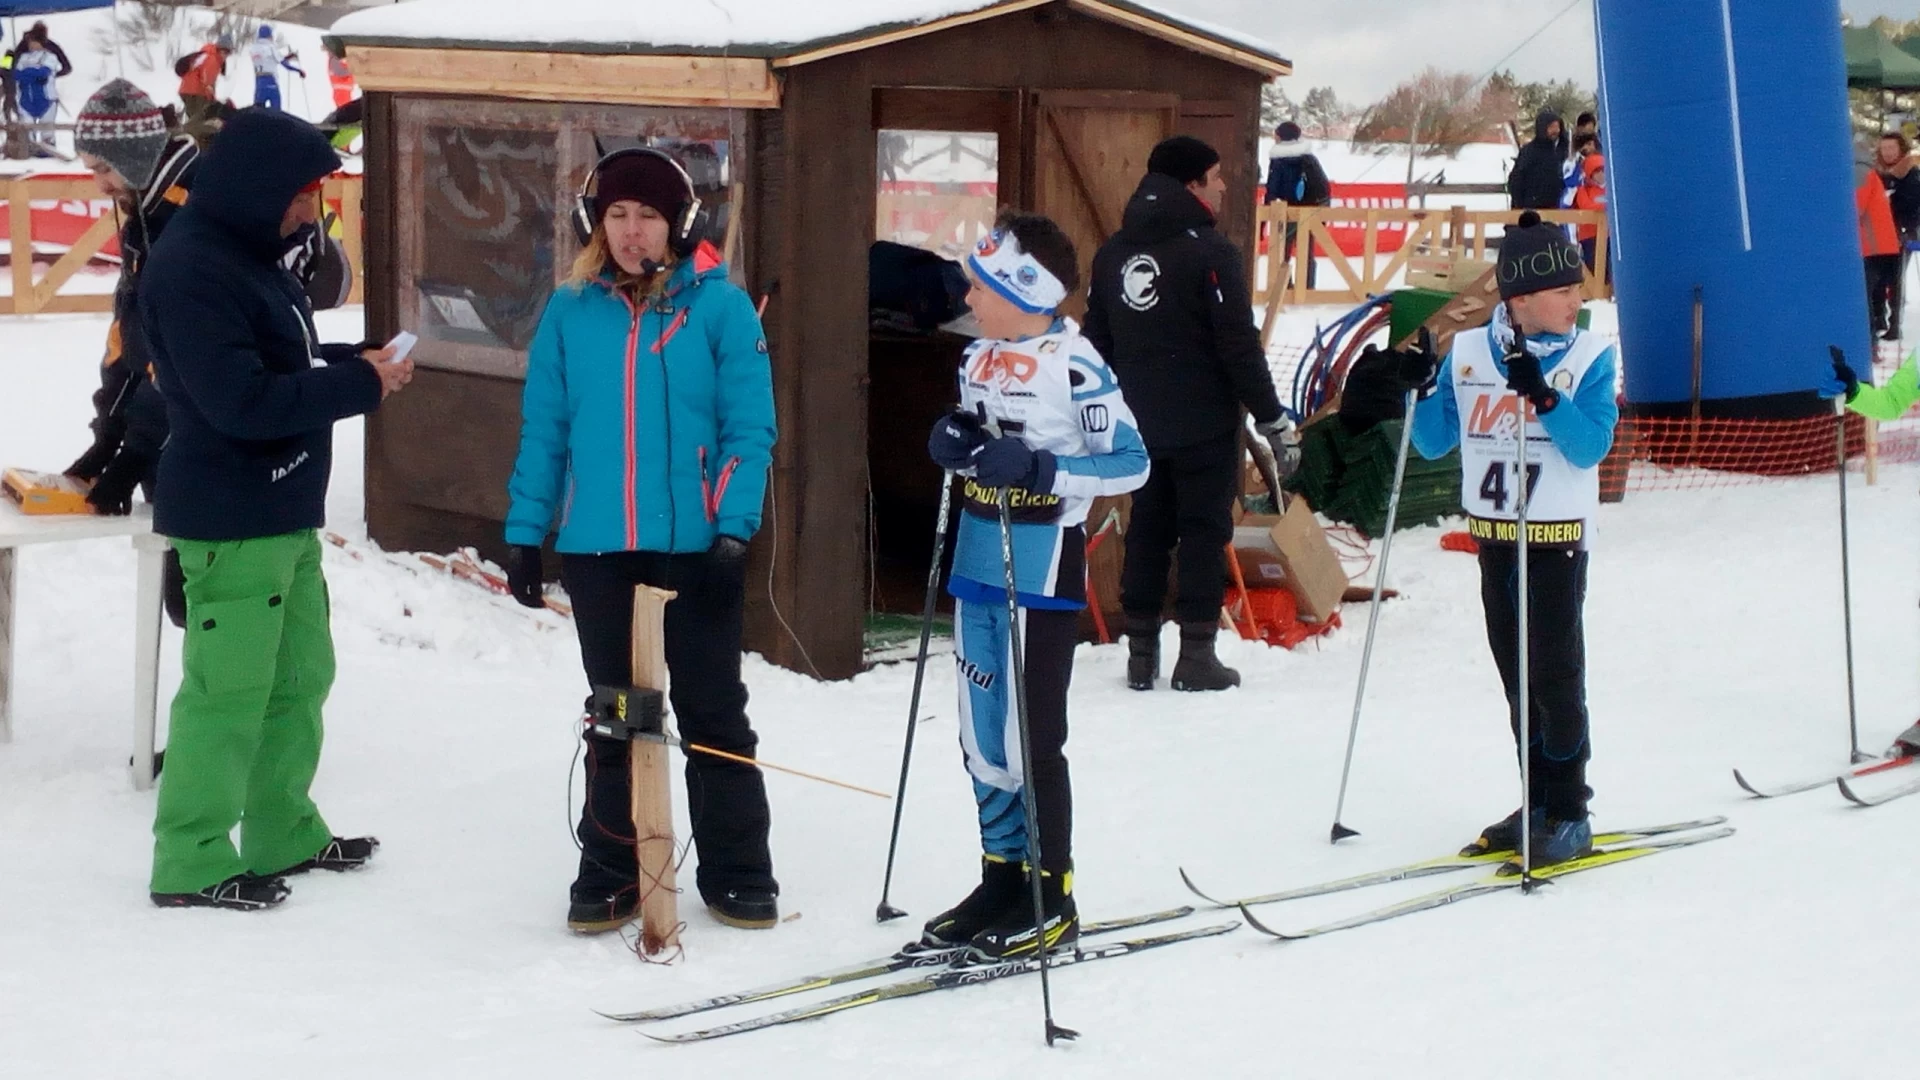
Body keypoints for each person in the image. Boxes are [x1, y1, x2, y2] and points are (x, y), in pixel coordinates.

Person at [139, 108, 412, 911]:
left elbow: (276, 359)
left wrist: (349, 362)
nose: (309, 211)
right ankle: (189, 857)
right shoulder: (194, 269)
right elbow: (241, 402)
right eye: (301, 194)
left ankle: (281, 828)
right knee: (225, 696)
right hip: (229, 517)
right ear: (258, 188)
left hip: (282, 511)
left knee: (298, 679)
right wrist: (360, 386)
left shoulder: (251, 256)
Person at [503, 147, 780, 934]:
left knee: (711, 707)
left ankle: (739, 867)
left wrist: (732, 530)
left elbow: (749, 430)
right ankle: (613, 864)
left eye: (649, 216)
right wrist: (528, 531)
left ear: (678, 224)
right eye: (618, 215)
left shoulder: (719, 310)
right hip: (599, 544)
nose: (633, 233)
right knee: (618, 711)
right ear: (598, 222)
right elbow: (545, 430)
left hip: (692, 545)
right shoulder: (571, 309)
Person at [921, 212, 1148, 958]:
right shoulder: (979, 355)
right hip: (976, 556)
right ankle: (1002, 875)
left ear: (1025, 292)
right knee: (980, 733)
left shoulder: (1075, 363)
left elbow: (1130, 463)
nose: (968, 292)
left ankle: (1053, 893)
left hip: (1043, 561)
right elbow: (979, 434)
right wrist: (955, 437)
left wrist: (1045, 470)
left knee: (1031, 736)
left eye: (981, 284)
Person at [1400, 210, 1618, 870]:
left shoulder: (1589, 353)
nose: (1578, 301)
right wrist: (1419, 393)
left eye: (1579, 290)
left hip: (1555, 539)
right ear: (1520, 298)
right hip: (1495, 538)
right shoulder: (1468, 351)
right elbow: (1435, 442)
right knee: (1516, 677)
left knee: (1556, 676)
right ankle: (1538, 800)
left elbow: (1591, 448)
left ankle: (1570, 807)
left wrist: (1546, 400)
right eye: (1565, 291)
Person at [1084, 135, 1296, 693]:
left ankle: (1140, 656)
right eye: (1216, 175)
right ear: (1192, 184)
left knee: (1147, 528)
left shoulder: (1112, 254)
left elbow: (1094, 347)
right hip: (1203, 424)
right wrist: (1272, 417)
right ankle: (1197, 655)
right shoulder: (1209, 251)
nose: (1224, 185)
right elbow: (1238, 346)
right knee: (1203, 532)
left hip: (1139, 425)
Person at [63, 80, 200, 626]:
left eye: (102, 169)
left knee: (202, 595)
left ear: (136, 156)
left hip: (205, 436)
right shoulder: (143, 211)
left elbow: (184, 352)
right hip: (162, 426)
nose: (97, 185)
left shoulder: (188, 216)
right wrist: (110, 436)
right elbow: (131, 333)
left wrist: (138, 448)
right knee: (182, 594)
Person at [1264, 120, 1331, 289]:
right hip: (1311, 210)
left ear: (1281, 136)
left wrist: (1264, 219)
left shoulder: (1279, 159)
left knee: (1282, 250)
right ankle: (1307, 287)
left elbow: (1272, 189)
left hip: (1287, 211)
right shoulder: (1309, 158)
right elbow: (1323, 185)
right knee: (1307, 250)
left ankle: (1285, 286)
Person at [1875, 132, 1920, 341]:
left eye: (1892, 148)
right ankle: (1880, 318)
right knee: (1880, 277)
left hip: (1902, 232)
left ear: (1901, 149)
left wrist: (1909, 228)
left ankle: (1895, 324)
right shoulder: (1882, 174)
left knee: (1896, 278)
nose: (1888, 152)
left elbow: (1914, 205)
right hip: (1881, 233)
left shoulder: (1910, 173)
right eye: (1884, 148)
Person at [1859, 155, 1903, 340]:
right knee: (1879, 289)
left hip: (1873, 245)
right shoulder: (1866, 171)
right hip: (1882, 243)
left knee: (1864, 293)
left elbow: (1855, 206)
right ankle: (1882, 328)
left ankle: (1870, 338)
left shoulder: (1859, 172)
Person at [177, 33, 234, 147]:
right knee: (199, 120)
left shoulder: (206, 54)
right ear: (219, 48)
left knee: (194, 119)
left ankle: (188, 140)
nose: (225, 55)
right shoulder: (212, 58)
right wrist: (211, 97)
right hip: (195, 92)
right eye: (224, 51)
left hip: (188, 90)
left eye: (227, 52)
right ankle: (189, 142)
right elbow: (207, 80)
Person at [1507, 110, 1567, 211]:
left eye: (1557, 127)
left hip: (1556, 208)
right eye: (1551, 127)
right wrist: (1519, 206)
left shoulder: (1562, 150)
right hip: (1531, 208)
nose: (1555, 131)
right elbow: (1516, 181)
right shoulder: (1530, 151)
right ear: (1543, 128)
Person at [11, 38, 58, 155]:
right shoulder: (22, 57)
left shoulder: (50, 57)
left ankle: (48, 153)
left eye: (35, 41)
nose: (32, 44)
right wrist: (32, 74)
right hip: (25, 100)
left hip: (46, 99)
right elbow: (16, 74)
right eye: (30, 42)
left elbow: (44, 73)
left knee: (46, 129)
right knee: (27, 128)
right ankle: (29, 151)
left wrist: (27, 73)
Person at [249, 24, 304, 112]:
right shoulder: (271, 47)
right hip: (271, 82)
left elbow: (269, 60)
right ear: (269, 35)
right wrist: (299, 71)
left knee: (257, 113)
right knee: (276, 113)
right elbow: (284, 64)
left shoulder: (253, 49)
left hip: (259, 83)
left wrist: (288, 57)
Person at [1572, 152, 1607, 270]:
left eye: (1603, 170)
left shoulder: (1615, 188)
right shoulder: (1583, 190)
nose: (1601, 174)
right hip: (1590, 237)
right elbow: (1587, 207)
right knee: (1595, 269)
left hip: (1610, 236)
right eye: (1597, 171)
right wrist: (1606, 207)